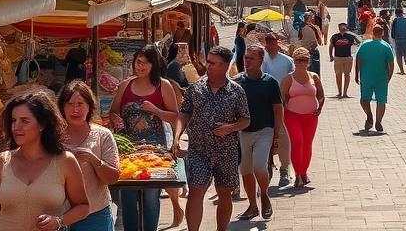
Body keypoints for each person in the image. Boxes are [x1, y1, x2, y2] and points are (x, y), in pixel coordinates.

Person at [0, 91, 89, 231]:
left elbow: (83, 206)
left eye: (24, 121)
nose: (16, 127)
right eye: (13, 120)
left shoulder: (65, 161)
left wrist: (58, 220)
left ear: (42, 125)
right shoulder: (1, 162)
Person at [173, 47, 250, 231]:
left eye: (213, 63)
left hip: (226, 151)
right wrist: (177, 137)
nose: (207, 65)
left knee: (224, 193)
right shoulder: (195, 88)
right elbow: (184, 114)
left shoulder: (236, 91)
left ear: (224, 66)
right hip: (199, 149)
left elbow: (246, 120)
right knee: (196, 190)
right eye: (207, 61)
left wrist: (229, 128)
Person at [108, 45, 181, 231]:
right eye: (138, 62)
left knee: (150, 197)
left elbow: (176, 116)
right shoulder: (125, 85)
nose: (139, 67)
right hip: (128, 152)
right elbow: (114, 111)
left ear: (154, 65)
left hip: (155, 152)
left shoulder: (163, 85)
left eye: (144, 64)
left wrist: (156, 111)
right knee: (127, 197)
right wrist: (116, 119)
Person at [58, 81, 122, 231]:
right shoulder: (51, 137)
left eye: (80, 103)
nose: (75, 109)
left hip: (95, 215)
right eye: (70, 104)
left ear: (89, 107)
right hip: (57, 216)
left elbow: (113, 178)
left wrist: (93, 159)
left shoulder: (102, 136)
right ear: (62, 107)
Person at [234, 45, 283, 220]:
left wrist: (276, 135)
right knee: (246, 171)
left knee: (259, 167)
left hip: (265, 130)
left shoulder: (270, 83)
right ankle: (253, 206)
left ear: (261, 60)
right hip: (243, 132)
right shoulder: (237, 82)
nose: (247, 61)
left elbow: (278, 110)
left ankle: (264, 194)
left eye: (251, 58)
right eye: (246, 58)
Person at [281, 47, 325, 188]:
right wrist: (284, 109)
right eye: (299, 60)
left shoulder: (314, 77)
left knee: (307, 144)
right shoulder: (288, 79)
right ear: (294, 61)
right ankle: (298, 174)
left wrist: (320, 108)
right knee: (297, 142)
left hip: (311, 116)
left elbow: (321, 95)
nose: (302, 63)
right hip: (292, 115)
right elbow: (283, 97)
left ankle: (304, 173)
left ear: (309, 62)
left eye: (304, 60)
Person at [261, 32, 295, 187]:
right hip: (263, 104)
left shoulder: (287, 61)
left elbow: (292, 81)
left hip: (281, 104)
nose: (269, 45)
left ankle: (284, 168)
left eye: (272, 42)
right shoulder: (261, 59)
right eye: (267, 42)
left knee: (282, 136)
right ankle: (266, 166)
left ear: (277, 43)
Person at [354, 23, 394, 132]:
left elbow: (358, 59)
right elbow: (391, 64)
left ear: (372, 33)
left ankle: (370, 116)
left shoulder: (364, 45)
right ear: (382, 33)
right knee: (381, 101)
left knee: (364, 99)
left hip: (366, 77)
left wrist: (356, 74)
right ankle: (378, 122)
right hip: (381, 77)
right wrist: (389, 76)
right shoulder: (386, 46)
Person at [329, 22, 360, 98]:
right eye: (341, 27)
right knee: (338, 75)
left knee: (347, 75)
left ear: (346, 28)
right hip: (338, 58)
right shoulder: (335, 37)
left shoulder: (351, 36)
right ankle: (340, 92)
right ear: (339, 28)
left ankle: (345, 92)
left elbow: (359, 42)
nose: (343, 29)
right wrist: (331, 56)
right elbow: (331, 46)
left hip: (348, 58)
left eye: (344, 27)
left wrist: (354, 52)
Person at [390, 8, 406, 76]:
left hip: (398, 40)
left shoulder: (395, 21)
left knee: (399, 56)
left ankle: (402, 71)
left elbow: (392, 33)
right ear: (402, 13)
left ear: (396, 14)